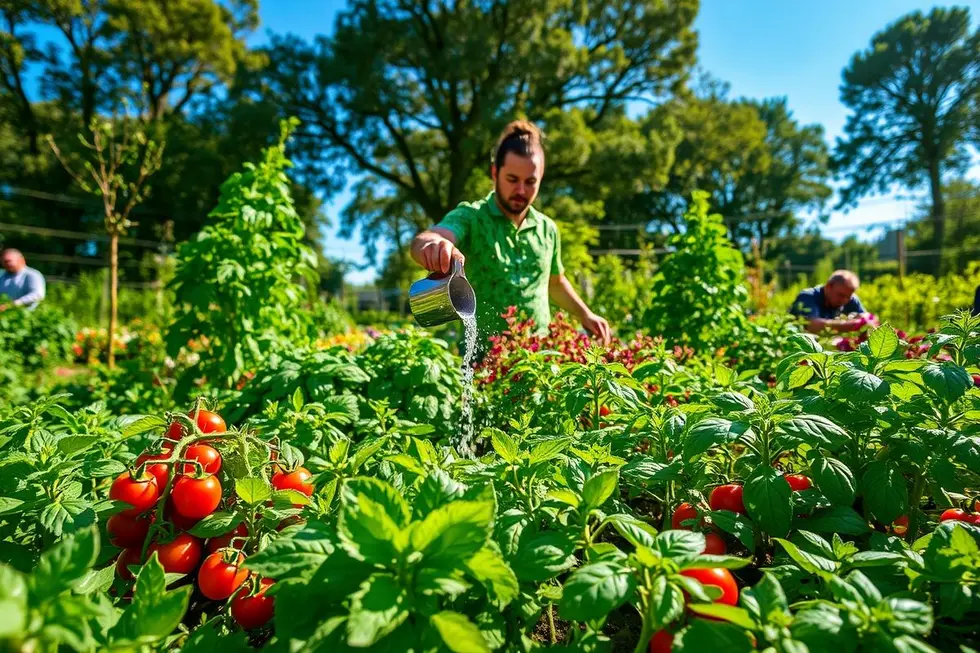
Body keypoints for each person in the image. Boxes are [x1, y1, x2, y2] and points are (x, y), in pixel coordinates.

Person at [410, 120, 611, 344]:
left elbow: (555, 282)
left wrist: (585, 313)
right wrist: (434, 245)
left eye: (531, 182)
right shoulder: (472, 217)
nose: (521, 190)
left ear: (541, 179)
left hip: (537, 364)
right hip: (484, 367)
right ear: (495, 172)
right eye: (512, 180)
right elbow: (427, 238)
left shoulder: (547, 230)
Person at [789, 270, 870, 334]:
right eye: (840, 295)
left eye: (848, 297)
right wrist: (851, 325)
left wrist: (865, 320)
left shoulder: (850, 298)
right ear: (828, 286)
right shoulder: (808, 296)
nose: (844, 300)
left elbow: (868, 319)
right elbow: (811, 325)